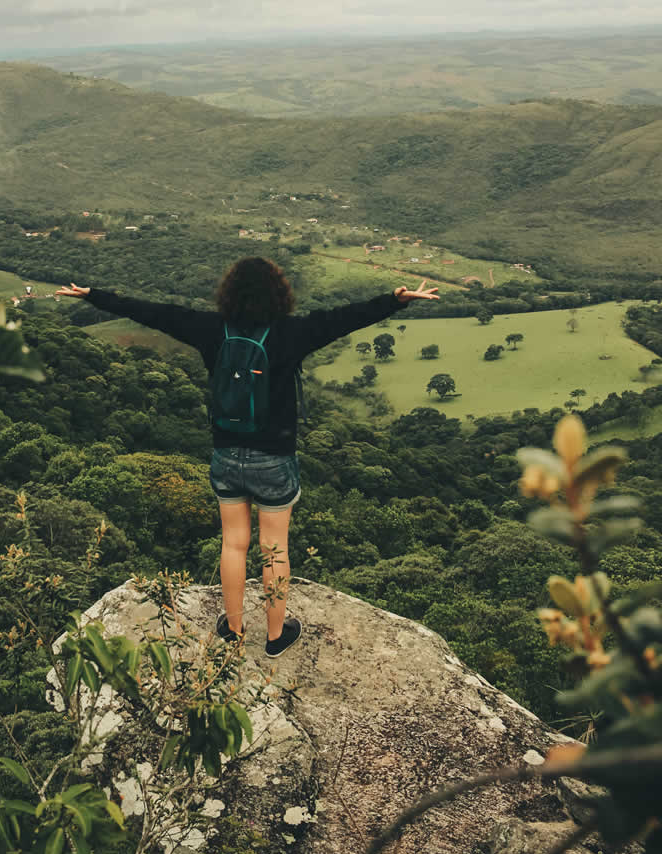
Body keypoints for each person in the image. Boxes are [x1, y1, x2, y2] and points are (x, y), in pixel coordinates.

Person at [57, 258, 439, 657]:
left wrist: (94, 295)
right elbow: (345, 318)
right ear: (279, 293)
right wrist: (394, 300)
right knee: (274, 549)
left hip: (226, 453)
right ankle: (276, 637)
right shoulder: (292, 333)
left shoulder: (210, 329)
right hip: (273, 458)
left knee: (233, 544)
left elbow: (152, 312)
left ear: (229, 293)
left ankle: (234, 629)